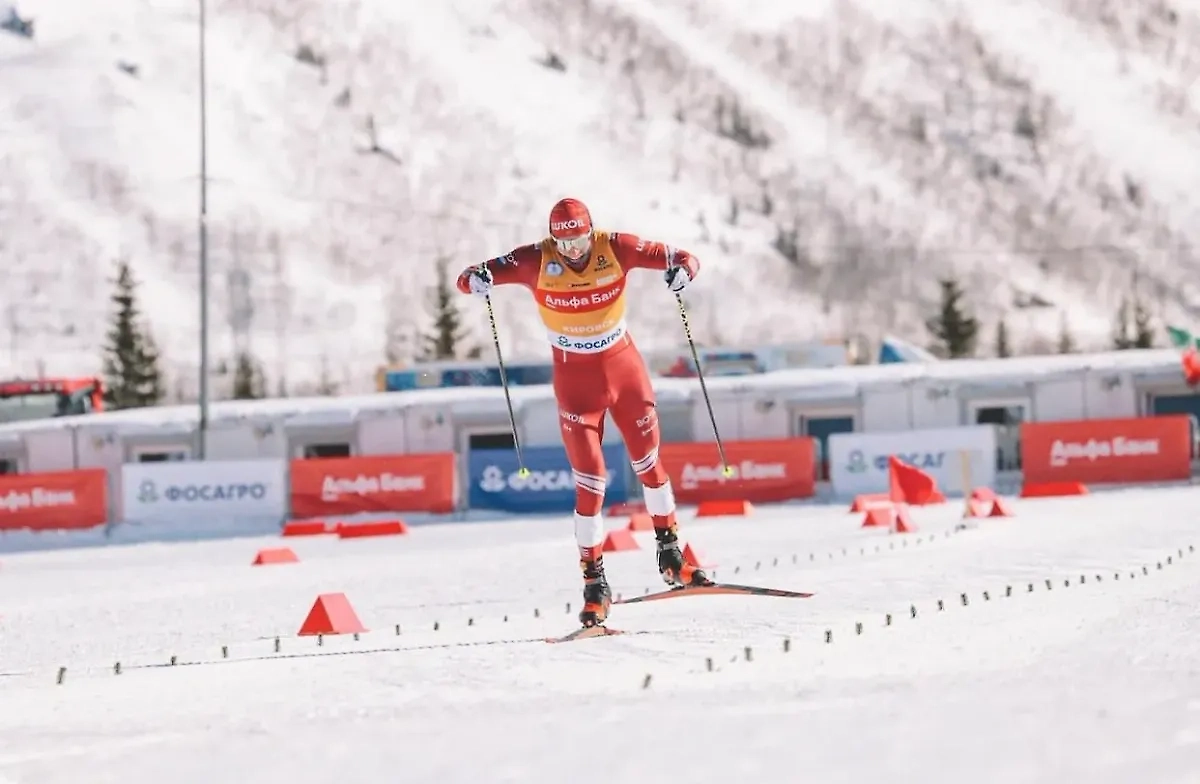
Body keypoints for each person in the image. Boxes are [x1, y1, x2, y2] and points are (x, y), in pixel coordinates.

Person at [456, 197, 713, 627]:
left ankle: (671, 553)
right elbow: (470, 278)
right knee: (590, 483)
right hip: (576, 383)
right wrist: (476, 281)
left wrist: (683, 271)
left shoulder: (617, 248)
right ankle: (595, 583)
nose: (572, 250)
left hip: (624, 369)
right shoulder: (533, 259)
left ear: (590, 232)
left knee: (649, 461)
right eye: (563, 241)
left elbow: (683, 257)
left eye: (578, 240)